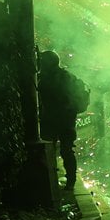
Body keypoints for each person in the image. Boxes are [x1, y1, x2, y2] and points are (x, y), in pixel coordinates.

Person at [37, 50, 91, 191]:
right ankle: (70, 183)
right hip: (67, 120)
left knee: (50, 151)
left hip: (51, 120)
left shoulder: (45, 78)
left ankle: (52, 184)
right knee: (67, 151)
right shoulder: (67, 76)